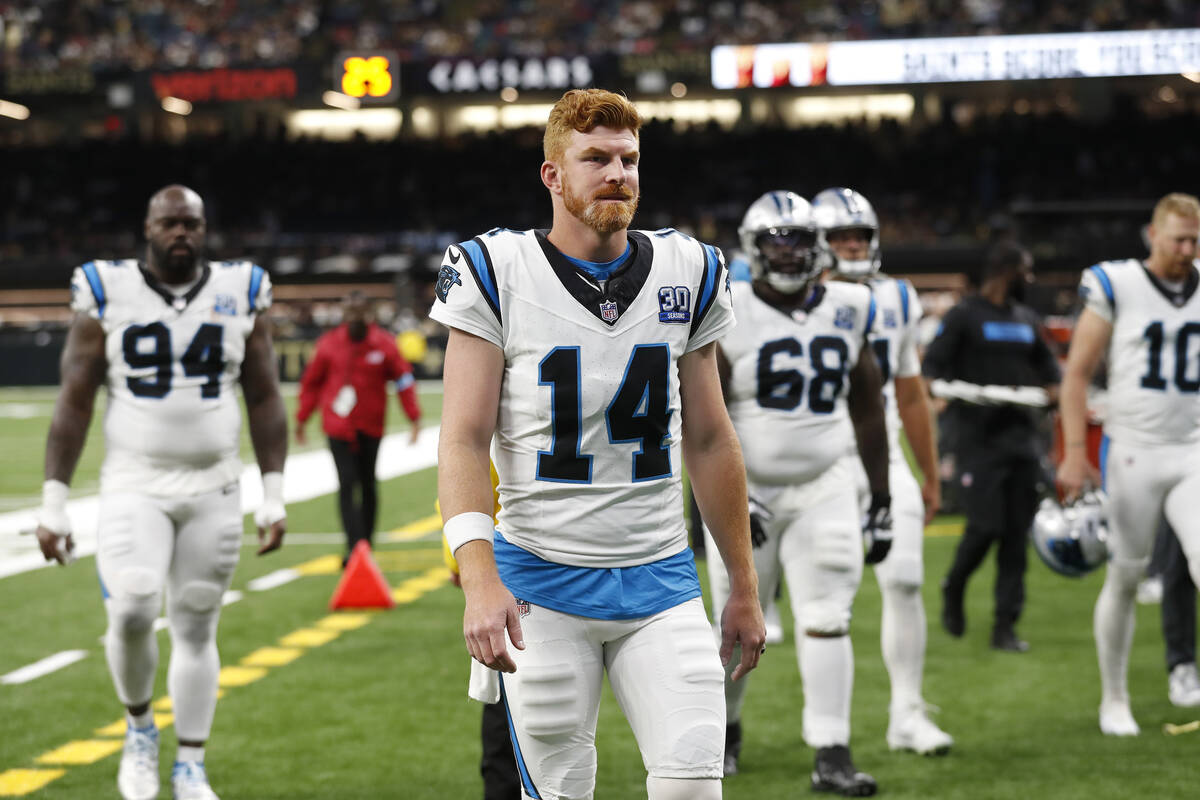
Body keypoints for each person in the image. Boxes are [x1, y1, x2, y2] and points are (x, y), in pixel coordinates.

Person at [432, 88, 766, 800]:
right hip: (542, 584)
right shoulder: (496, 271)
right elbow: (461, 440)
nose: (617, 173)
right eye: (595, 159)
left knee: (692, 781)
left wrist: (742, 582)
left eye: (629, 159)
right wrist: (478, 577)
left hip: (661, 578)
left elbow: (710, 438)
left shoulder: (690, 270)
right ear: (553, 175)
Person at [33, 185, 288, 800]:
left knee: (198, 618)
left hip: (214, 484)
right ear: (147, 229)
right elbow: (75, 398)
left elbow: (263, 395)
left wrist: (273, 492)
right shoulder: (106, 287)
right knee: (132, 607)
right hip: (133, 482)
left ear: (206, 229)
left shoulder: (241, 288)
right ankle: (141, 728)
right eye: (171, 223)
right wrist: (53, 502)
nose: (182, 234)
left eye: (192, 224)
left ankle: (191, 763)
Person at [705, 190, 891, 795]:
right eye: (774, 243)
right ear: (753, 248)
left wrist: (882, 496)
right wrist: (731, 496)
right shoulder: (726, 308)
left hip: (826, 484)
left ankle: (832, 751)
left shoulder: (852, 303)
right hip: (745, 491)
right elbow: (705, 420)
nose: (786, 255)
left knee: (828, 617)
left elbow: (867, 407)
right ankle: (726, 731)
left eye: (797, 242)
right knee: (732, 624)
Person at [813, 187, 954, 756]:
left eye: (860, 237)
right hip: (815, 461)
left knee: (905, 580)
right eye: (840, 238)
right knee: (780, 598)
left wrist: (929, 470)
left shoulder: (897, 297)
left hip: (882, 456)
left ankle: (907, 714)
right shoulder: (786, 298)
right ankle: (731, 726)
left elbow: (911, 394)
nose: (851, 246)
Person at [1058, 192, 1200, 736]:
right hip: (1134, 448)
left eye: (1194, 239)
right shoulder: (1118, 283)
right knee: (1124, 575)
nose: (1187, 250)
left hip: (1191, 450)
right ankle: (1113, 698)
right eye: (1178, 239)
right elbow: (1077, 374)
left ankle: (1184, 672)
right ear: (1153, 235)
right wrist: (1074, 453)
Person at [923, 240, 1061, 653]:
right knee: (986, 527)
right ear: (1007, 271)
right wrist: (942, 393)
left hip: (1021, 439)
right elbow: (932, 368)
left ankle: (1005, 625)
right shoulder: (965, 316)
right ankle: (955, 584)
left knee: (1016, 536)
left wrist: (1052, 394)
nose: (1031, 280)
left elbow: (1051, 373)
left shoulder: (1026, 319)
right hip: (977, 440)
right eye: (1027, 271)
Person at [295, 291, 421, 563]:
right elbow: (312, 383)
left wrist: (414, 417)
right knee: (346, 482)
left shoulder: (384, 345)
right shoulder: (329, 345)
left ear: (370, 314)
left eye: (360, 312)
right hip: (338, 427)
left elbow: (403, 380)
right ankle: (354, 547)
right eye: (350, 312)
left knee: (367, 484)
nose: (355, 317)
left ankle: (366, 544)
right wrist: (302, 419)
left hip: (370, 427)